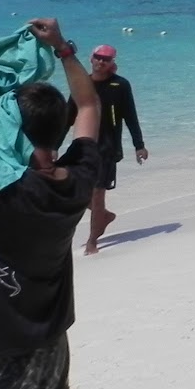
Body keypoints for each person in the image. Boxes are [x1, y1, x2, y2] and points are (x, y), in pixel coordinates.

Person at [0, 17, 102, 389]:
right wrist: (62, 49)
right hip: (50, 354)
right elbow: (88, 103)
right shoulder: (75, 182)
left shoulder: (4, 193)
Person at [81, 45, 147, 256]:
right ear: (91, 59)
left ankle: (92, 241)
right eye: (98, 58)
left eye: (106, 59)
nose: (101, 62)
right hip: (82, 146)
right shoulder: (83, 83)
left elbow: (130, 116)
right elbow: (68, 112)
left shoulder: (120, 85)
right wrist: (53, 145)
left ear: (112, 63)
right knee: (71, 192)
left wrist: (139, 145)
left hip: (108, 148)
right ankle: (104, 216)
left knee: (97, 193)